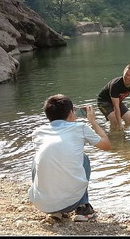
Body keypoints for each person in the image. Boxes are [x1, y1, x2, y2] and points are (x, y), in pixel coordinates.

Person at [28, 94, 111, 222]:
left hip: (42, 204)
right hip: (71, 202)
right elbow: (106, 145)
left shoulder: (38, 133)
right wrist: (93, 121)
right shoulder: (80, 128)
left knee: (39, 158)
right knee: (83, 159)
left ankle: (55, 212)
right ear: (71, 112)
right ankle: (83, 208)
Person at [96, 64, 130, 131]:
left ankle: (122, 136)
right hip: (104, 102)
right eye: (126, 74)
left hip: (117, 101)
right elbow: (116, 106)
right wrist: (119, 123)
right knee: (115, 120)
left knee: (129, 119)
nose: (128, 77)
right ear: (123, 73)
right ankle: (114, 136)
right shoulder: (115, 85)